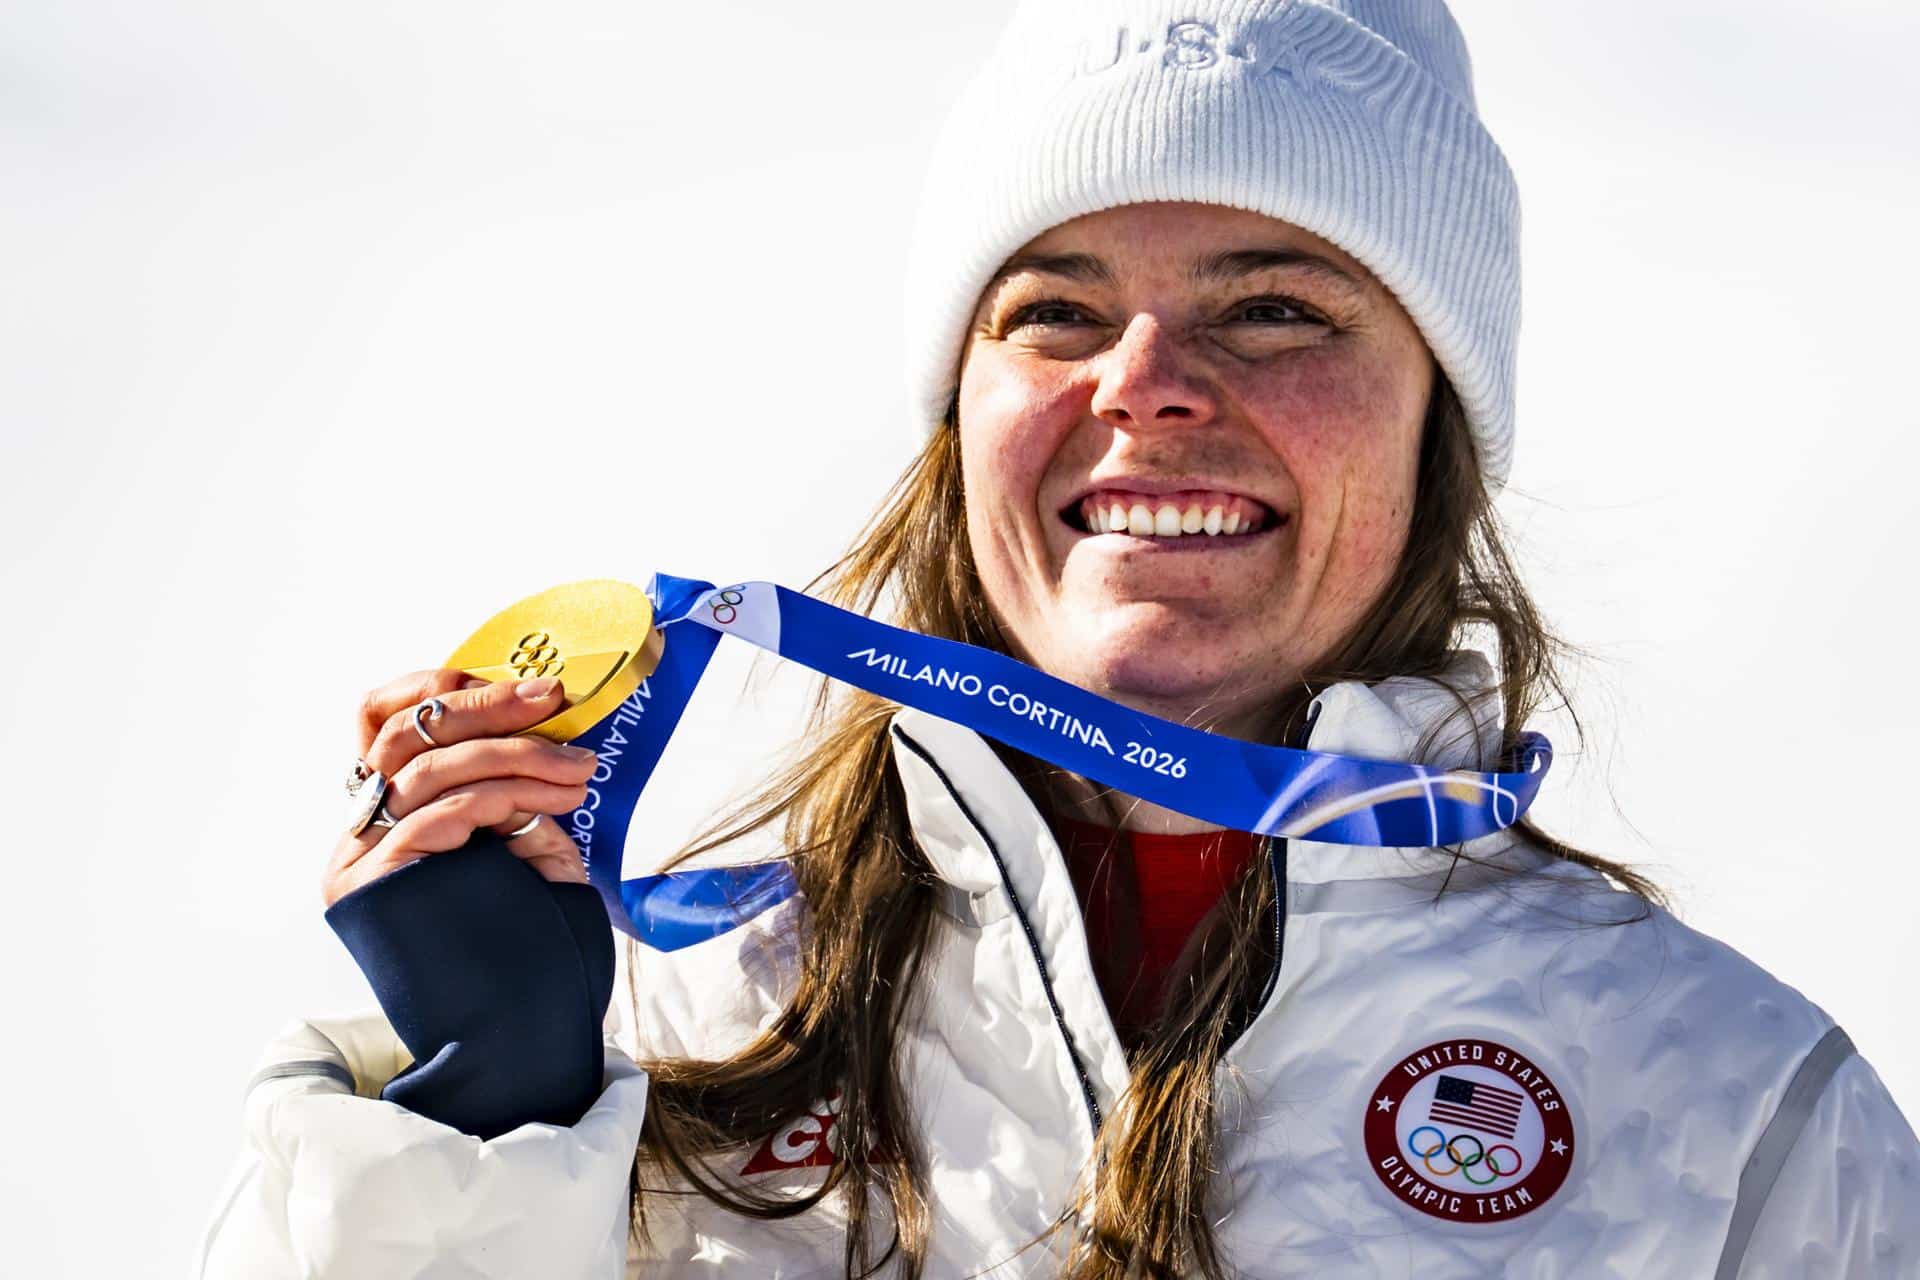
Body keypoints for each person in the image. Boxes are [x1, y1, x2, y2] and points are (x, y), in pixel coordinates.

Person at [198, 2, 1920, 1276]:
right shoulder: (669, 1036)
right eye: (1059, 313)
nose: (1148, 382)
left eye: (1274, 307)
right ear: (959, 419)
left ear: (1438, 431)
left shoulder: (1734, 1115)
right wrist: (475, 1130)